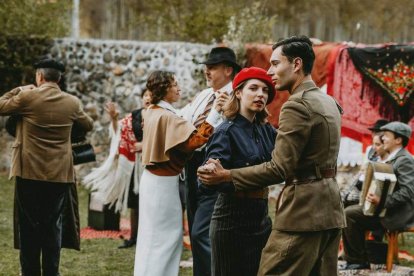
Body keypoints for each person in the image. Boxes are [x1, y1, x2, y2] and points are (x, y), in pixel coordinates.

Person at [198, 36, 346, 275]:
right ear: (238, 93)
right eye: (253, 88)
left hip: (303, 212)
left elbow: (279, 168)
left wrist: (226, 176)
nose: (270, 71)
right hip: (330, 210)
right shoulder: (329, 102)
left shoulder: (296, 105)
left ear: (296, 64)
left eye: (276, 63)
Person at [0, 58, 93, 276]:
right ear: (59, 79)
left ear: (39, 77)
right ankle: (52, 272)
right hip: (59, 174)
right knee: (53, 226)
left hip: (28, 172)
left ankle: (30, 272)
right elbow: (87, 124)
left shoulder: (28, 96)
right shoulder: (72, 102)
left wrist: (19, 89)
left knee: (29, 227)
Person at [134, 71, 214, 276]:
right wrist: (215, 115)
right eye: (175, 84)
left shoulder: (151, 110)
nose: (179, 88)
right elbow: (193, 143)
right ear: (164, 89)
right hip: (164, 184)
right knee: (167, 237)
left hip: (151, 180)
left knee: (150, 236)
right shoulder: (168, 116)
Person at [198, 67, 277, 275]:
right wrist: (209, 174)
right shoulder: (226, 131)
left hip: (261, 218)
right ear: (239, 93)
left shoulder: (266, 131)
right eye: (253, 88)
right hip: (231, 222)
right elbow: (205, 184)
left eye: (265, 90)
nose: (261, 94)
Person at [178, 46, 241, 276]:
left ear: (227, 70)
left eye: (212, 67)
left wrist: (217, 113)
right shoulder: (203, 95)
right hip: (191, 165)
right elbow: (182, 118)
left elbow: (213, 135)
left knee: (202, 233)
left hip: (215, 167)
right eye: (206, 67)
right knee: (195, 228)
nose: (207, 71)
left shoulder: (237, 97)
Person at [83, 89, 152, 249]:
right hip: (134, 165)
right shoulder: (133, 116)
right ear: (142, 98)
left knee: (150, 202)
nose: (148, 98)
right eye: (145, 95)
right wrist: (113, 119)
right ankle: (134, 237)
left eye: (151, 95)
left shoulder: (160, 115)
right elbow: (118, 131)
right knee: (135, 203)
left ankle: (147, 239)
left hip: (151, 162)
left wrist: (145, 146)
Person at [340, 121, 414, 270]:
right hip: (386, 210)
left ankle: (358, 260)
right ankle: (355, 258)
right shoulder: (393, 157)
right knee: (349, 209)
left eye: (386, 136)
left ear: (398, 140)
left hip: (396, 215)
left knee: (350, 214)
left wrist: (382, 201)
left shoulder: (405, 159)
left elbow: (409, 191)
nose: (383, 138)